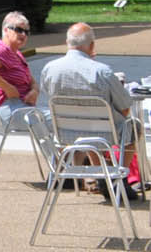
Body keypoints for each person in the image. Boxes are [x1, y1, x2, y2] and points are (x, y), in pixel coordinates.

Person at [39, 21, 139, 197]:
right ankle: (119, 177)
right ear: (91, 45)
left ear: (68, 43)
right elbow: (124, 108)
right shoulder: (102, 71)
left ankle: (99, 171)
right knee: (133, 126)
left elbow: (48, 96)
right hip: (103, 132)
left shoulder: (49, 69)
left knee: (96, 124)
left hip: (66, 133)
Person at [0, 13, 38, 118]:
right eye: (18, 30)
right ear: (5, 30)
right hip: (8, 109)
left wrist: (34, 90)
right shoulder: (1, 49)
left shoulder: (16, 53)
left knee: (59, 120)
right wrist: (8, 88)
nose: (23, 35)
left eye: (27, 32)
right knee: (59, 121)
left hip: (21, 108)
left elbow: (30, 79)